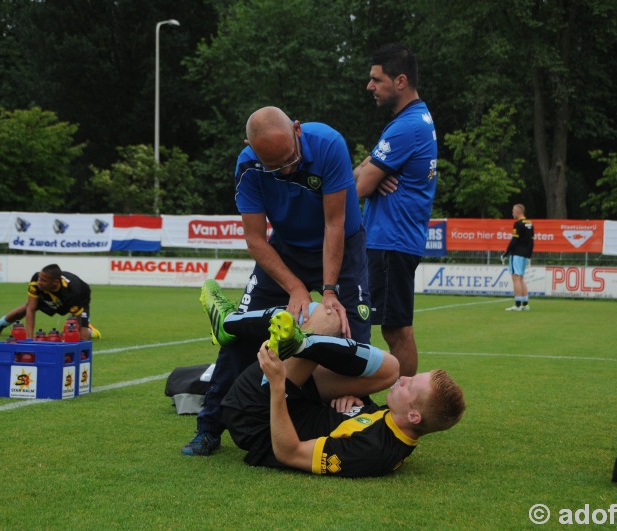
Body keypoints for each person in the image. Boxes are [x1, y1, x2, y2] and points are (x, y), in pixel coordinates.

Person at [182, 107, 371, 457]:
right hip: (285, 250)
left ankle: (351, 415)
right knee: (238, 332)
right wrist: (295, 286)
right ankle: (208, 427)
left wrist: (328, 292)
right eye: (275, 165)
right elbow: (255, 239)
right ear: (251, 148)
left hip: (342, 245)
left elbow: (334, 223)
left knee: (351, 334)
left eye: (290, 158)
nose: (286, 169)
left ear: (297, 130)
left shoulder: (329, 144)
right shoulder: (247, 165)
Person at [220, 304, 466, 477]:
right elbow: (355, 423)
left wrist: (277, 384)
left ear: (414, 416)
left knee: (328, 318)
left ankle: (228, 322)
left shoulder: (372, 452)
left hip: (255, 417)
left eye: (410, 385)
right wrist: (353, 402)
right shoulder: (398, 423)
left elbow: (288, 452)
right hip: (299, 403)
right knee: (390, 367)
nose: (405, 379)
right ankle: (301, 342)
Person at [353, 43, 438, 377]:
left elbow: (358, 187)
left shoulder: (406, 127)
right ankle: (403, 401)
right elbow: (364, 173)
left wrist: (369, 174)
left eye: (377, 79)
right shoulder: (415, 118)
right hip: (395, 239)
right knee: (391, 326)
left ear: (400, 81)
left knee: (396, 330)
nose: (369, 86)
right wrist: (370, 170)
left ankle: (406, 404)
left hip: (390, 241)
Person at [0, 263, 101, 339]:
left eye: (43, 280)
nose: (39, 282)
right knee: (26, 306)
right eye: (39, 278)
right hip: (52, 294)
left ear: (55, 282)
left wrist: (73, 333)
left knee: (82, 336)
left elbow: (75, 320)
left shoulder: (73, 293)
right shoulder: (36, 280)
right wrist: (29, 338)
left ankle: (90, 329)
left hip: (79, 297)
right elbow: (31, 309)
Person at [501, 204, 535, 311]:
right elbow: (532, 242)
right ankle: (525, 304)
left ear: (517, 212)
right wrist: (529, 255)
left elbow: (514, 241)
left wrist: (505, 253)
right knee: (521, 279)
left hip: (517, 254)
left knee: (516, 279)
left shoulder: (518, 224)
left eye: (513, 211)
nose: (512, 213)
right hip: (525, 255)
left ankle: (517, 305)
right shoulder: (530, 224)